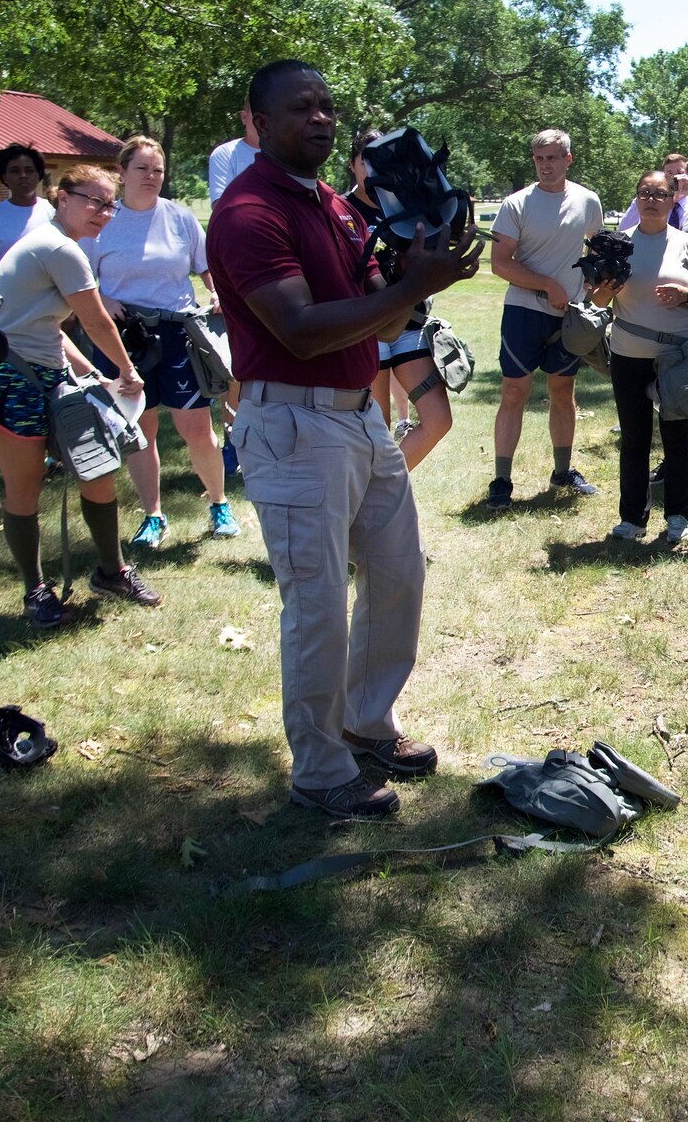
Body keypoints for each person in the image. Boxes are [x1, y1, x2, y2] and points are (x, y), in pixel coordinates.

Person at [207, 59, 480, 821]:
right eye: (301, 108)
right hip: (293, 419)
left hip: (360, 414)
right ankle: (320, 768)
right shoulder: (247, 211)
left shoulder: (337, 207)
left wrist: (416, 274)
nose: (321, 119)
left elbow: (382, 319)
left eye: (328, 107)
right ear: (256, 120)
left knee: (397, 575)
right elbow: (295, 329)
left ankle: (365, 721)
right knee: (319, 602)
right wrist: (409, 289)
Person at [0, 165, 160, 626]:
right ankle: (34, 591)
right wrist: (125, 370)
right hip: (12, 381)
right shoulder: (60, 248)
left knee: (98, 472)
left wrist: (91, 377)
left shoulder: (58, 245)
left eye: (109, 204)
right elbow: (97, 321)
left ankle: (111, 570)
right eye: (93, 200)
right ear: (62, 198)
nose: (103, 212)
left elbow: (52, 329)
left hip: (50, 376)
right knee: (24, 488)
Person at [86, 136, 238, 548]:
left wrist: (215, 290)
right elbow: (80, 283)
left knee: (197, 427)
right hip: (123, 339)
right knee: (141, 429)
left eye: (158, 170)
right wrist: (106, 298)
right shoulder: (102, 221)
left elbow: (207, 267)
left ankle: (219, 504)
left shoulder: (180, 217)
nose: (151, 177)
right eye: (142, 169)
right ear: (122, 172)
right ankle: (153, 515)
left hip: (177, 333)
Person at [593, 171, 688, 542]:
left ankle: (678, 516)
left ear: (673, 199)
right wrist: (609, 288)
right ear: (637, 198)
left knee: (677, 438)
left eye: (659, 194)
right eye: (644, 193)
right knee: (634, 438)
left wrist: (685, 295)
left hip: (677, 356)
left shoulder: (687, 243)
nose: (651, 200)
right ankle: (633, 519)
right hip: (629, 353)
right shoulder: (617, 244)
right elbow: (596, 300)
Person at [486, 128, 601, 509]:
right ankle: (502, 480)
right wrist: (547, 285)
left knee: (562, 392)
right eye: (539, 159)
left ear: (568, 159)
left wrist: (592, 291)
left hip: (568, 316)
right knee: (514, 392)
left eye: (552, 158)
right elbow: (500, 263)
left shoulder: (588, 201)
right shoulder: (516, 203)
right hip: (524, 312)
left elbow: (596, 254)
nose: (545, 165)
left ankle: (562, 471)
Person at [347, 129, 452, 470]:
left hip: (410, 325)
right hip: (368, 329)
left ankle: (385, 491)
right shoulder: (341, 210)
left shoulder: (409, 204)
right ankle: (375, 505)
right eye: (366, 161)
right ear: (352, 166)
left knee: (438, 419)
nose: (375, 170)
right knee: (376, 430)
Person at [0, 143, 53, 274]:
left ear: (39, 175)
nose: (23, 175)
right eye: (15, 171)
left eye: (29, 170)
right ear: (5, 177)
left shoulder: (54, 212)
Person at [616, 151, 688, 232]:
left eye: (680, 173)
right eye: (669, 173)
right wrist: (643, 194)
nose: (674, 177)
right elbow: (624, 228)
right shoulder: (653, 203)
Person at [207, 108, 260, 203]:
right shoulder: (225, 154)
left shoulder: (292, 155)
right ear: (244, 117)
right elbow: (221, 208)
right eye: (259, 115)